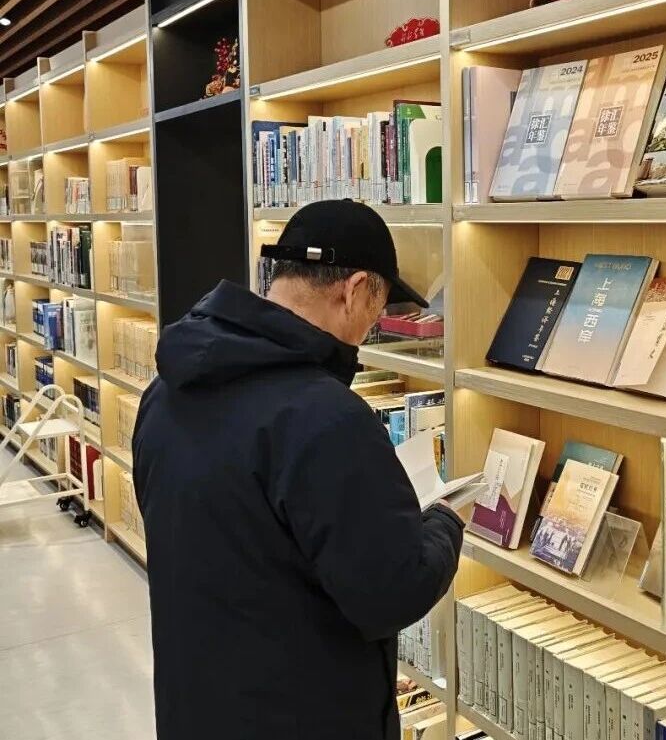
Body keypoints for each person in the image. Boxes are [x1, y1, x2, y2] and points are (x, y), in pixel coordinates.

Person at [133, 201, 463, 740]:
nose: (373, 328)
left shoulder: (165, 392)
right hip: (306, 713)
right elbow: (391, 592)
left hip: (194, 706)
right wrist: (444, 523)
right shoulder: (328, 419)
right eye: (378, 309)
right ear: (354, 290)